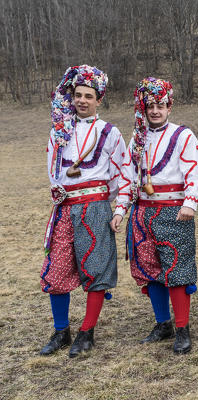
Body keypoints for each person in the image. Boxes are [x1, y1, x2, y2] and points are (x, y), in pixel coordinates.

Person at [110, 77, 198, 354]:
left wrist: (190, 202)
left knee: (177, 270)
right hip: (143, 212)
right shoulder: (137, 139)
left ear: (169, 106)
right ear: (143, 107)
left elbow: (194, 171)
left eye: (161, 105)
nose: (155, 111)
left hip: (175, 211)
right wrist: (120, 210)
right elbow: (128, 178)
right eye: (150, 105)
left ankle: (183, 329)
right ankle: (163, 324)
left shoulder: (183, 135)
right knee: (151, 270)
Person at [41, 65, 126, 358]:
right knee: (58, 269)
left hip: (96, 208)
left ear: (99, 100)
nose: (82, 101)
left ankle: (86, 331)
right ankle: (61, 330)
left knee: (97, 268)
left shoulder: (110, 132)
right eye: (78, 95)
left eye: (88, 96)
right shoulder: (59, 131)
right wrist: (57, 191)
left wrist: (119, 209)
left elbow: (124, 174)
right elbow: (53, 169)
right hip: (66, 208)